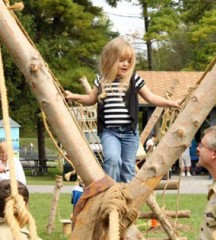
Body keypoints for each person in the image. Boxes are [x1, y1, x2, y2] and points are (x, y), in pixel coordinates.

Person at [65, 37, 180, 183]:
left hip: (129, 133)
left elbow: (151, 97)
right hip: (109, 132)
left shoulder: (133, 79)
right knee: (112, 160)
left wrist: (171, 103)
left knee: (127, 168)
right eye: (121, 60)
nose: (126, 64)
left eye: (129, 61)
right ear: (110, 59)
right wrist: (73, 96)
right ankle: (111, 192)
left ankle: (125, 198)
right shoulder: (101, 80)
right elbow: (90, 99)